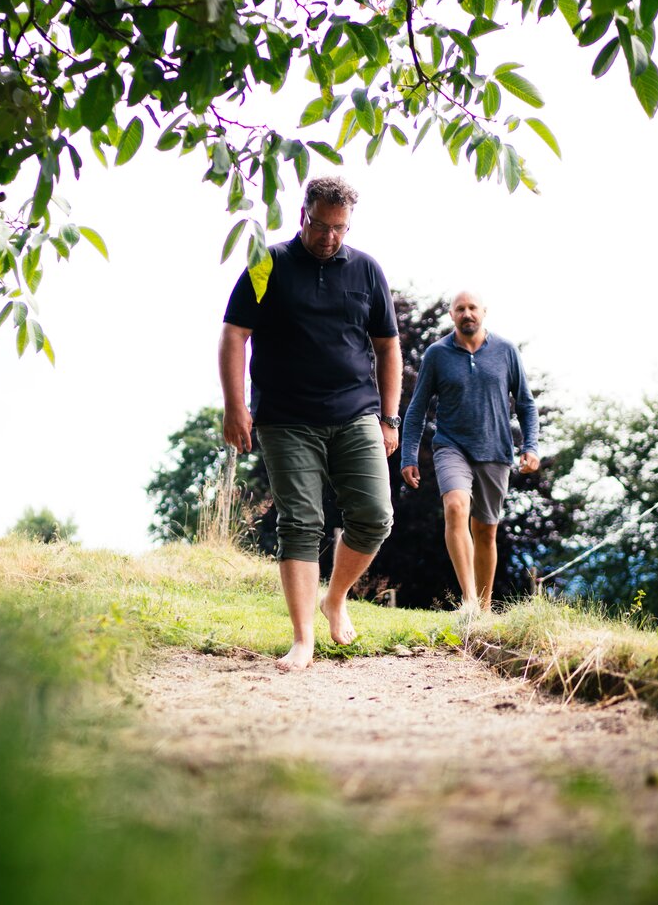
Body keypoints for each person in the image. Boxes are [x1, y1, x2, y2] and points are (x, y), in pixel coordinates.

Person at [219, 176, 401, 671]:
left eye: (339, 228)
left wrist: (389, 417)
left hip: (356, 413)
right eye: (321, 226)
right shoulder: (267, 263)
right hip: (286, 418)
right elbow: (235, 334)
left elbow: (388, 346)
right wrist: (236, 406)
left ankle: (335, 597)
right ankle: (303, 639)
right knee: (300, 523)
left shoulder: (366, 271)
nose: (329, 237)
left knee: (374, 516)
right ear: (303, 215)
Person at [399, 291, 539, 612]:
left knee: (486, 530)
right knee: (455, 507)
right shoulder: (437, 354)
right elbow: (417, 408)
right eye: (460, 308)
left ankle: (485, 608)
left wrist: (530, 446)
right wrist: (408, 456)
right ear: (452, 315)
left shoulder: (506, 351)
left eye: (472, 308)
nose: (467, 314)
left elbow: (526, 404)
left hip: (495, 450)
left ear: (484, 312)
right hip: (451, 446)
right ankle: (470, 601)